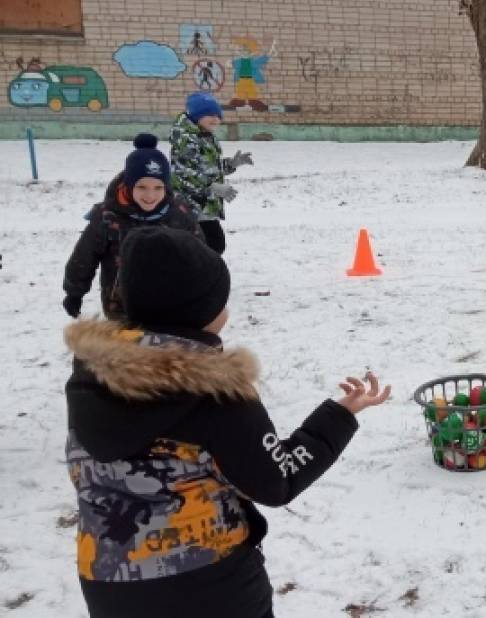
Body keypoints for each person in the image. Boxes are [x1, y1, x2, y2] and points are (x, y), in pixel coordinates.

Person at [64, 226, 390, 618]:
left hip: (107, 584)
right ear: (199, 311)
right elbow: (276, 480)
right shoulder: (216, 393)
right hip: (209, 587)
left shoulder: (90, 379)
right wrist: (339, 417)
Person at [63, 134, 200, 319]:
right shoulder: (108, 217)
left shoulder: (179, 214)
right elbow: (85, 255)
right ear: (128, 186)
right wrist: (74, 292)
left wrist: (203, 290)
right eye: (142, 187)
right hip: (121, 305)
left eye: (158, 188)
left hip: (170, 302)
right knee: (127, 347)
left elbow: (200, 256)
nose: (150, 195)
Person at [170, 92, 253, 254]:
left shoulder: (206, 136)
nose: (215, 119)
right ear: (196, 115)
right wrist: (212, 187)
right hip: (190, 205)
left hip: (205, 204)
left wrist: (231, 164)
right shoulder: (186, 139)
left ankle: (200, 275)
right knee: (209, 246)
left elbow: (208, 168)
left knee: (212, 246)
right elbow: (184, 172)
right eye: (209, 114)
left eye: (218, 115)